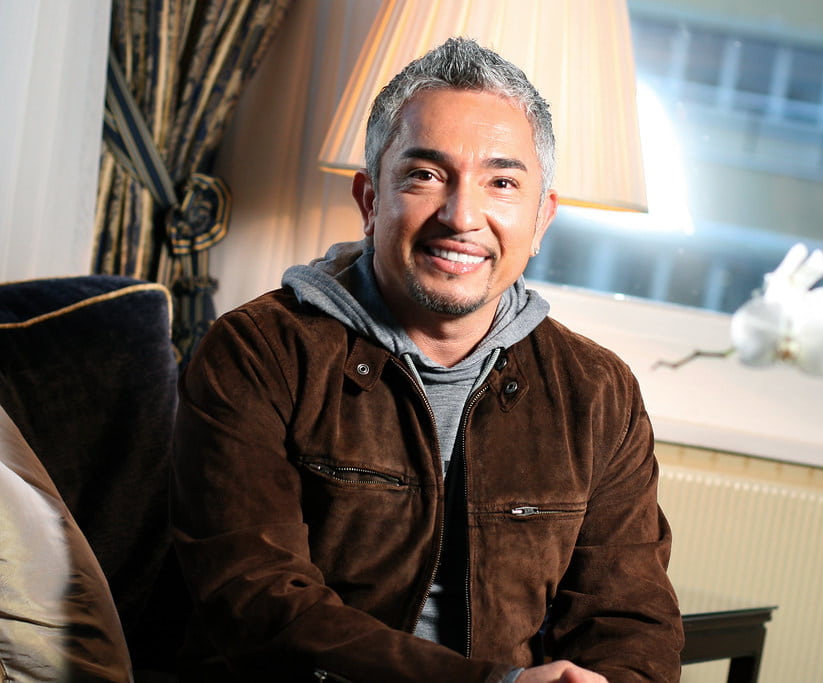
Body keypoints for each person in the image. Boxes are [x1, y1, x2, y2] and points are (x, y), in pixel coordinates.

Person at [171, 37, 684, 682]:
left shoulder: (597, 390)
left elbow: (631, 619)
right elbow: (257, 601)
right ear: (369, 200)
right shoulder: (258, 352)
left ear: (541, 219)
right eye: (425, 175)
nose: (462, 215)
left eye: (501, 183)